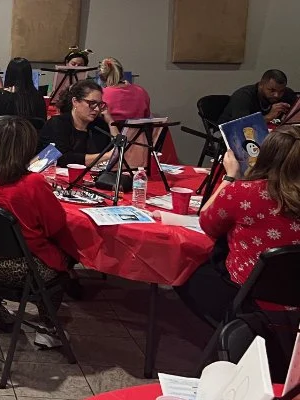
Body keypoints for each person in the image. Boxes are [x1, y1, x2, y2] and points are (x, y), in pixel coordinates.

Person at [0, 116, 77, 348]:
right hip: (18, 268)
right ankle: (49, 329)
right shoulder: (32, 183)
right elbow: (55, 226)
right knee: (64, 258)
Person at [176, 126, 300, 325]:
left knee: (184, 269)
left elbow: (206, 222)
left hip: (248, 295)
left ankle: (233, 331)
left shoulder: (243, 193)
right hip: (292, 294)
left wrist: (230, 177)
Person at [39, 80, 119, 167]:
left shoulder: (99, 125)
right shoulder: (58, 123)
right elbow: (62, 158)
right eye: (92, 103)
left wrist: (110, 122)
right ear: (75, 101)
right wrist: (106, 156)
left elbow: (118, 151)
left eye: (99, 104)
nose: (97, 109)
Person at [0, 57, 46, 123]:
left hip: (0, 131)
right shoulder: (38, 97)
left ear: (8, 74)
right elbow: (42, 123)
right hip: (28, 131)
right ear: (29, 75)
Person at [220, 69, 297, 124]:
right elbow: (241, 124)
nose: (277, 95)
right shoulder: (243, 96)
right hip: (228, 134)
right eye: (272, 90)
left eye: (281, 91)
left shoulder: (288, 93)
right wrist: (269, 117)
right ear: (261, 85)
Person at [98, 57, 151, 122]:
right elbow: (147, 116)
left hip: (110, 128)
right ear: (121, 73)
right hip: (138, 128)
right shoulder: (141, 91)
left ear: (101, 77)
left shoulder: (101, 94)